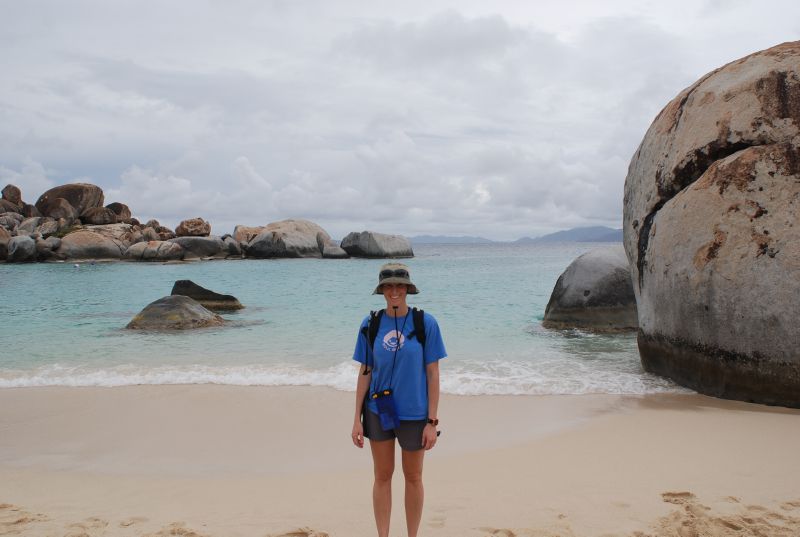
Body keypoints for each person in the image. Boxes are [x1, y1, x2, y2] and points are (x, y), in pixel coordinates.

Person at [351, 263, 447, 537]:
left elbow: (433, 374)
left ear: (408, 289)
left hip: (415, 414)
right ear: (381, 290)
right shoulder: (370, 324)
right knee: (382, 476)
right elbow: (365, 371)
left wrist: (432, 421)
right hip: (377, 410)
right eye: (388, 286)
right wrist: (356, 419)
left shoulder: (425, 323)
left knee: (414, 477)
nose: (394, 291)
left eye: (399, 286)